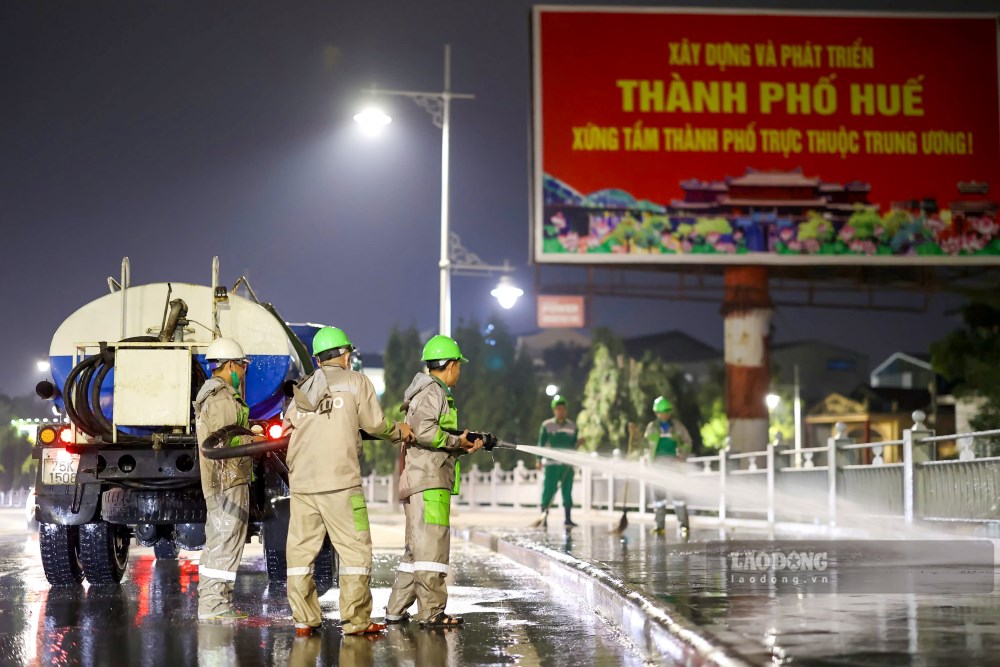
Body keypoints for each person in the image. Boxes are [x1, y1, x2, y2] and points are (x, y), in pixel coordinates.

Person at [282, 326, 413, 637]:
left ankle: (303, 620)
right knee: (355, 552)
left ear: (316, 360)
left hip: (302, 486)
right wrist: (401, 431)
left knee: (300, 555)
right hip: (341, 485)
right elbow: (376, 424)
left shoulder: (303, 390)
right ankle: (355, 621)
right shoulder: (356, 383)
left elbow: (287, 433)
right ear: (345, 355)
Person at [385, 334, 483, 628]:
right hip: (429, 483)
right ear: (450, 365)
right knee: (432, 550)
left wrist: (462, 445)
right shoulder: (434, 392)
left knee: (415, 551)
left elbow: (433, 440)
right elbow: (426, 432)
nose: (459, 371)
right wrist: (456, 440)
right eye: (458, 365)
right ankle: (432, 612)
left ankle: (395, 609)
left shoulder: (428, 392)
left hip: (424, 478)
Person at [195, 337, 262, 621]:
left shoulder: (219, 395)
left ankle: (219, 603)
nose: (244, 371)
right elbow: (223, 442)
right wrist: (252, 437)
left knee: (226, 539)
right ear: (231, 365)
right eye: (242, 366)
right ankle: (213, 606)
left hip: (227, 477)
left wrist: (247, 432)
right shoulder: (221, 398)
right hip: (227, 478)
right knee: (224, 539)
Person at [644, 396, 692, 534]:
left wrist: (681, 455)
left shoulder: (677, 427)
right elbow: (645, 445)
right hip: (657, 466)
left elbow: (687, 442)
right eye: (660, 412)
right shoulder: (652, 427)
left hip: (674, 465)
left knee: (679, 498)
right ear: (656, 413)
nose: (663, 415)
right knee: (659, 499)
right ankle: (659, 526)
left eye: (665, 412)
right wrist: (635, 438)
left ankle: (684, 525)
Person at [537, 396, 579, 528]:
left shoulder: (573, 426)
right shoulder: (547, 425)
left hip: (566, 464)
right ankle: (543, 517)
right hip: (551, 465)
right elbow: (541, 443)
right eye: (558, 409)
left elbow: (573, 445)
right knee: (549, 490)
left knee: (567, 491)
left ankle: (568, 518)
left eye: (563, 409)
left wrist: (579, 443)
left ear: (566, 410)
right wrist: (538, 460)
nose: (561, 411)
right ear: (554, 410)